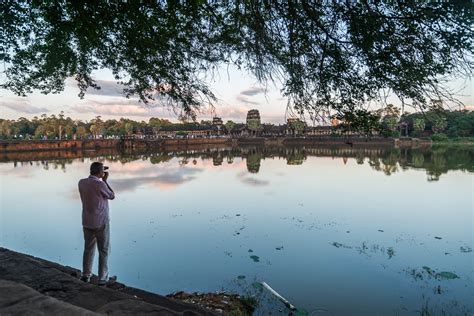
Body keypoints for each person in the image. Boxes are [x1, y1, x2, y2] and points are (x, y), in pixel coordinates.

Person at [78, 162, 116, 285]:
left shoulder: (81, 182)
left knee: (88, 249)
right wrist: (105, 181)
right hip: (101, 222)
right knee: (103, 250)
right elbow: (112, 196)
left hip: (87, 221)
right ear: (100, 172)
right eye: (102, 171)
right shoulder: (100, 184)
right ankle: (102, 278)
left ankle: (86, 275)